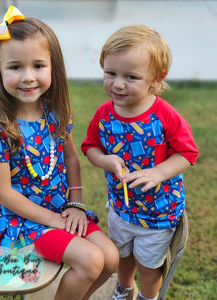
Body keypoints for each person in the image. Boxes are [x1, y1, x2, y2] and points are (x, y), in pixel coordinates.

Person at [0, 6, 119, 300]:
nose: (28, 77)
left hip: (61, 207)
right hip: (23, 219)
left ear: (52, 67)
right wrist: (52, 220)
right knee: (91, 260)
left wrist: (76, 205)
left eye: (38, 66)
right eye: (15, 67)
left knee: (110, 258)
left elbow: (71, 158)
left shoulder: (55, 113)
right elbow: (3, 193)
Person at [81, 25, 199, 300]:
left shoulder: (164, 115)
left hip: (158, 212)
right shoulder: (104, 114)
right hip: (121, 208)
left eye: (131, 77)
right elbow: (90, 148)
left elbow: (187, 153)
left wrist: (158, 173)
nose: (118, 84)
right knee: (123, 256)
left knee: (148, 265)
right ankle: (124, 288)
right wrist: (105, 159)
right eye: (111, 73)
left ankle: (148, 297)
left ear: (156, 79)